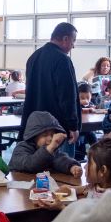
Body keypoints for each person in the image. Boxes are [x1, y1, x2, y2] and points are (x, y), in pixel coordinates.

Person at [22, 23, 81, 151]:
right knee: (63, 167)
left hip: (36, 126)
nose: (73, 46)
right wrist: (73, 126)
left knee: (40, 167)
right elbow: (67, 96)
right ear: (65, 39)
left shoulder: (34, 56)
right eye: (73, 41)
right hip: (57, 127)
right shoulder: (62, 59)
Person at [9, 111, 83, 177]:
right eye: (45, 135)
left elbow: (60, 159)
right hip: (19, 187)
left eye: (52, 134)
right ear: (34, 136)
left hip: (39, 186)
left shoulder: (51, 150)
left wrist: (72, 167)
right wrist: (49, 148)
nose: (50, 138)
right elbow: (30, 165)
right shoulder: (21, 148)